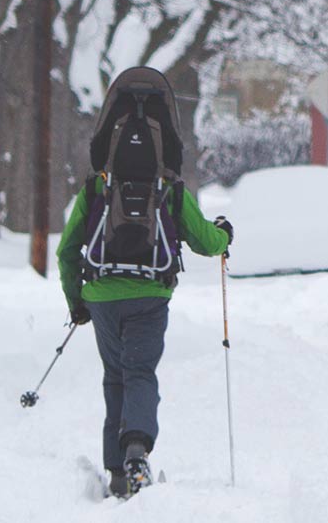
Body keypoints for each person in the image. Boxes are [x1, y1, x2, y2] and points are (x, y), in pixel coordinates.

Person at [58, 67, 231, 498]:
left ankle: (117, 472)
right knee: (140, 374)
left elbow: (66, 250)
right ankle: (137, 451)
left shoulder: (96, 190)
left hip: (100, 293)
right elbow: (206, 241)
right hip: (150, 295)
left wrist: (76, 300)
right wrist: (225, 234)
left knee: (114, 376)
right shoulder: (169, 190)